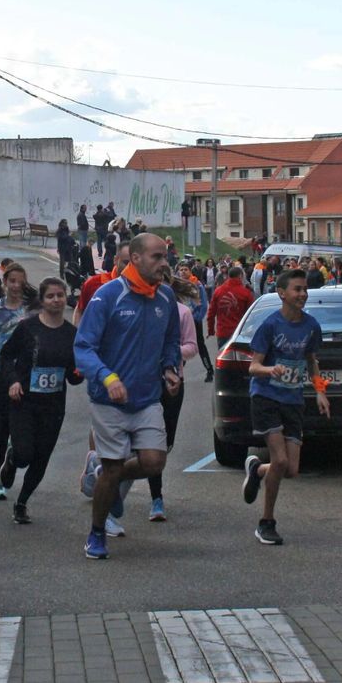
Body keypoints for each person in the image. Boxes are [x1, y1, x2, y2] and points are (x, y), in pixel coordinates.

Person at [74, 233, 182, 560]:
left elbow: (171, 343)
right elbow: (83, 348)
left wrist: (169, 369)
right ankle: (96, 533)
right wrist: (108, 378)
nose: (164, 263)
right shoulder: (108, 296)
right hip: (109, 399)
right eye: (156, 257)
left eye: (165, 257)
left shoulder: (165, 298)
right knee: (113, 465)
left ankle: (106, 479)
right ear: (135, 258)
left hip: (147, 397)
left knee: (153, 461)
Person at [239, 269, 328, 545]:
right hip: (266, 397)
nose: (302, 294)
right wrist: (270, 370)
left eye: (304, 289)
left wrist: (320, 392)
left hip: (293, 400)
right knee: (279, 460)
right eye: (297, 289)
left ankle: (257, 470)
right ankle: (266, 523)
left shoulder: (311, 326)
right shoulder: (270, 325)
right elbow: (253, 367)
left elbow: (312, 361)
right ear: (282, 293)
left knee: (290, 470)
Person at [0, 277, 82, 523]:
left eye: (60, 295)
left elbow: (73, 376)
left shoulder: (72, 334)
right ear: (42, 300)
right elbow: (5, 357)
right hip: (24, 400)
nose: (56, 300)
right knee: (25, 453)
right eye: (50, 296)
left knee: (42, 457)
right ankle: (12, 460)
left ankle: (21, 502)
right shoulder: (28, 328)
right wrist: (12, 381)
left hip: (53, 405)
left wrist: (79, 374)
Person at [146, 275, 199, 522]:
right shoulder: (142, 308)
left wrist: (170, 350)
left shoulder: (182, 312)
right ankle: (156, 498)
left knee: (165, 443)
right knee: (151, 442)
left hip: (172, 383)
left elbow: (192, 346)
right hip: (144, 382)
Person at [0, 263, 35, 500]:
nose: (16, 286)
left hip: (26, 372)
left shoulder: (31, 309)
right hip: (0, 370)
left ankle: (13, 460)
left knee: (23, 422)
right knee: (4, 424)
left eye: (20, 281)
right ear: (4, 282)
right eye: (12, 281)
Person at [208, 266, 255, 349]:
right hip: (240, 332)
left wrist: (211, 329)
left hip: (223, 331)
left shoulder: (218, 291)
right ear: (240, 276)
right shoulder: (246, 293)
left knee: (224, 358)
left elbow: (211, 313)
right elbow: (251, 315)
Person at [184, 265, 214, 381]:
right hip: (183, 320)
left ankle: (209, 370)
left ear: (190, 271)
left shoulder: (197, 284)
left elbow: (203, 304)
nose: (183, 271)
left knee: (200, 345)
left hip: (194, 320)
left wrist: (197, 318)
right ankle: (178, 372)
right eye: (181, 269)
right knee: (182, 345)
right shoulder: (177, 285)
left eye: (185, 269)